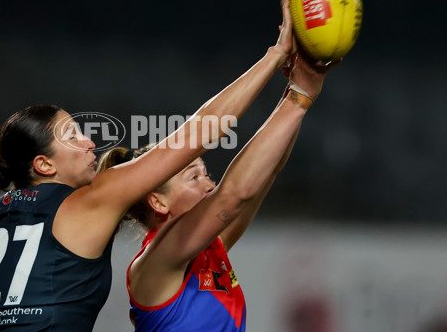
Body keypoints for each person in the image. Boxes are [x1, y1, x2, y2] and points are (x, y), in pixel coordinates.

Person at [0, 0, 299, 332]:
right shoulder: (94, 200)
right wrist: (276, 55)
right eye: (72, 135)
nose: (88, 142)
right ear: (44, 165)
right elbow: (201, 130)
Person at [96, 44, 338, 331]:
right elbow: (234, 194)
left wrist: (297, 90)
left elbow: (267, 171)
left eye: (206, 173)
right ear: (158, 202)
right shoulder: (156, 261)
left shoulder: (212, 246)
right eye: (193, 177)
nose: (209, 184)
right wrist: (299, 97)